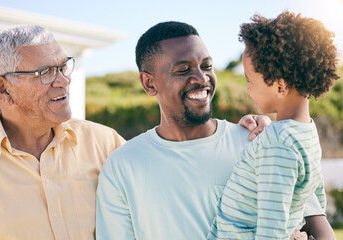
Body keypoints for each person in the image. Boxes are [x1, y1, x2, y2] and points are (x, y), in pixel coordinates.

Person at [96, 21, 335, 239]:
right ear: (149, 83)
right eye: (183, 70)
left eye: (206, 65)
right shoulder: (122, 167)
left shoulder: (257, 140)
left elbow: (317, 223)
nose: (201, 78)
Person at [0, 25, 126, 240]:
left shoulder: (105, 143)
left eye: (62, 67)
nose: (63, 81)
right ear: (3, 89)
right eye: (45, 72)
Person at [208, 11, 339, 240]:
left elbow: (271, 227)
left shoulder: (277, 142)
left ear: (280, 87)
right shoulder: (307, 130)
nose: (248, 88)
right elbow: (316, 193)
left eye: (250, 80)